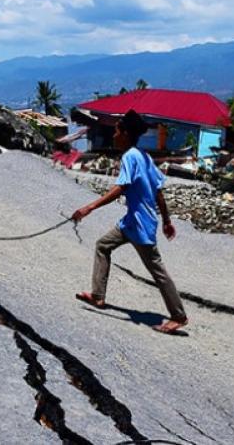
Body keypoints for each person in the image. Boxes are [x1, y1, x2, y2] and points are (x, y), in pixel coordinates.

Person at [71, 110, 188, 334]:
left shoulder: (130, 156)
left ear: (124, 133)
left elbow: (121, 187)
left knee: (157, 270)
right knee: (103, 245)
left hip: (140, 224)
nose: (113, 135)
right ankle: (97, 296)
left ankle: (178, 316)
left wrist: (90, 207)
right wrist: (166, 221)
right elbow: (158, 191)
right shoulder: (144, 156)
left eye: (116, 131)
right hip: (132, 222)